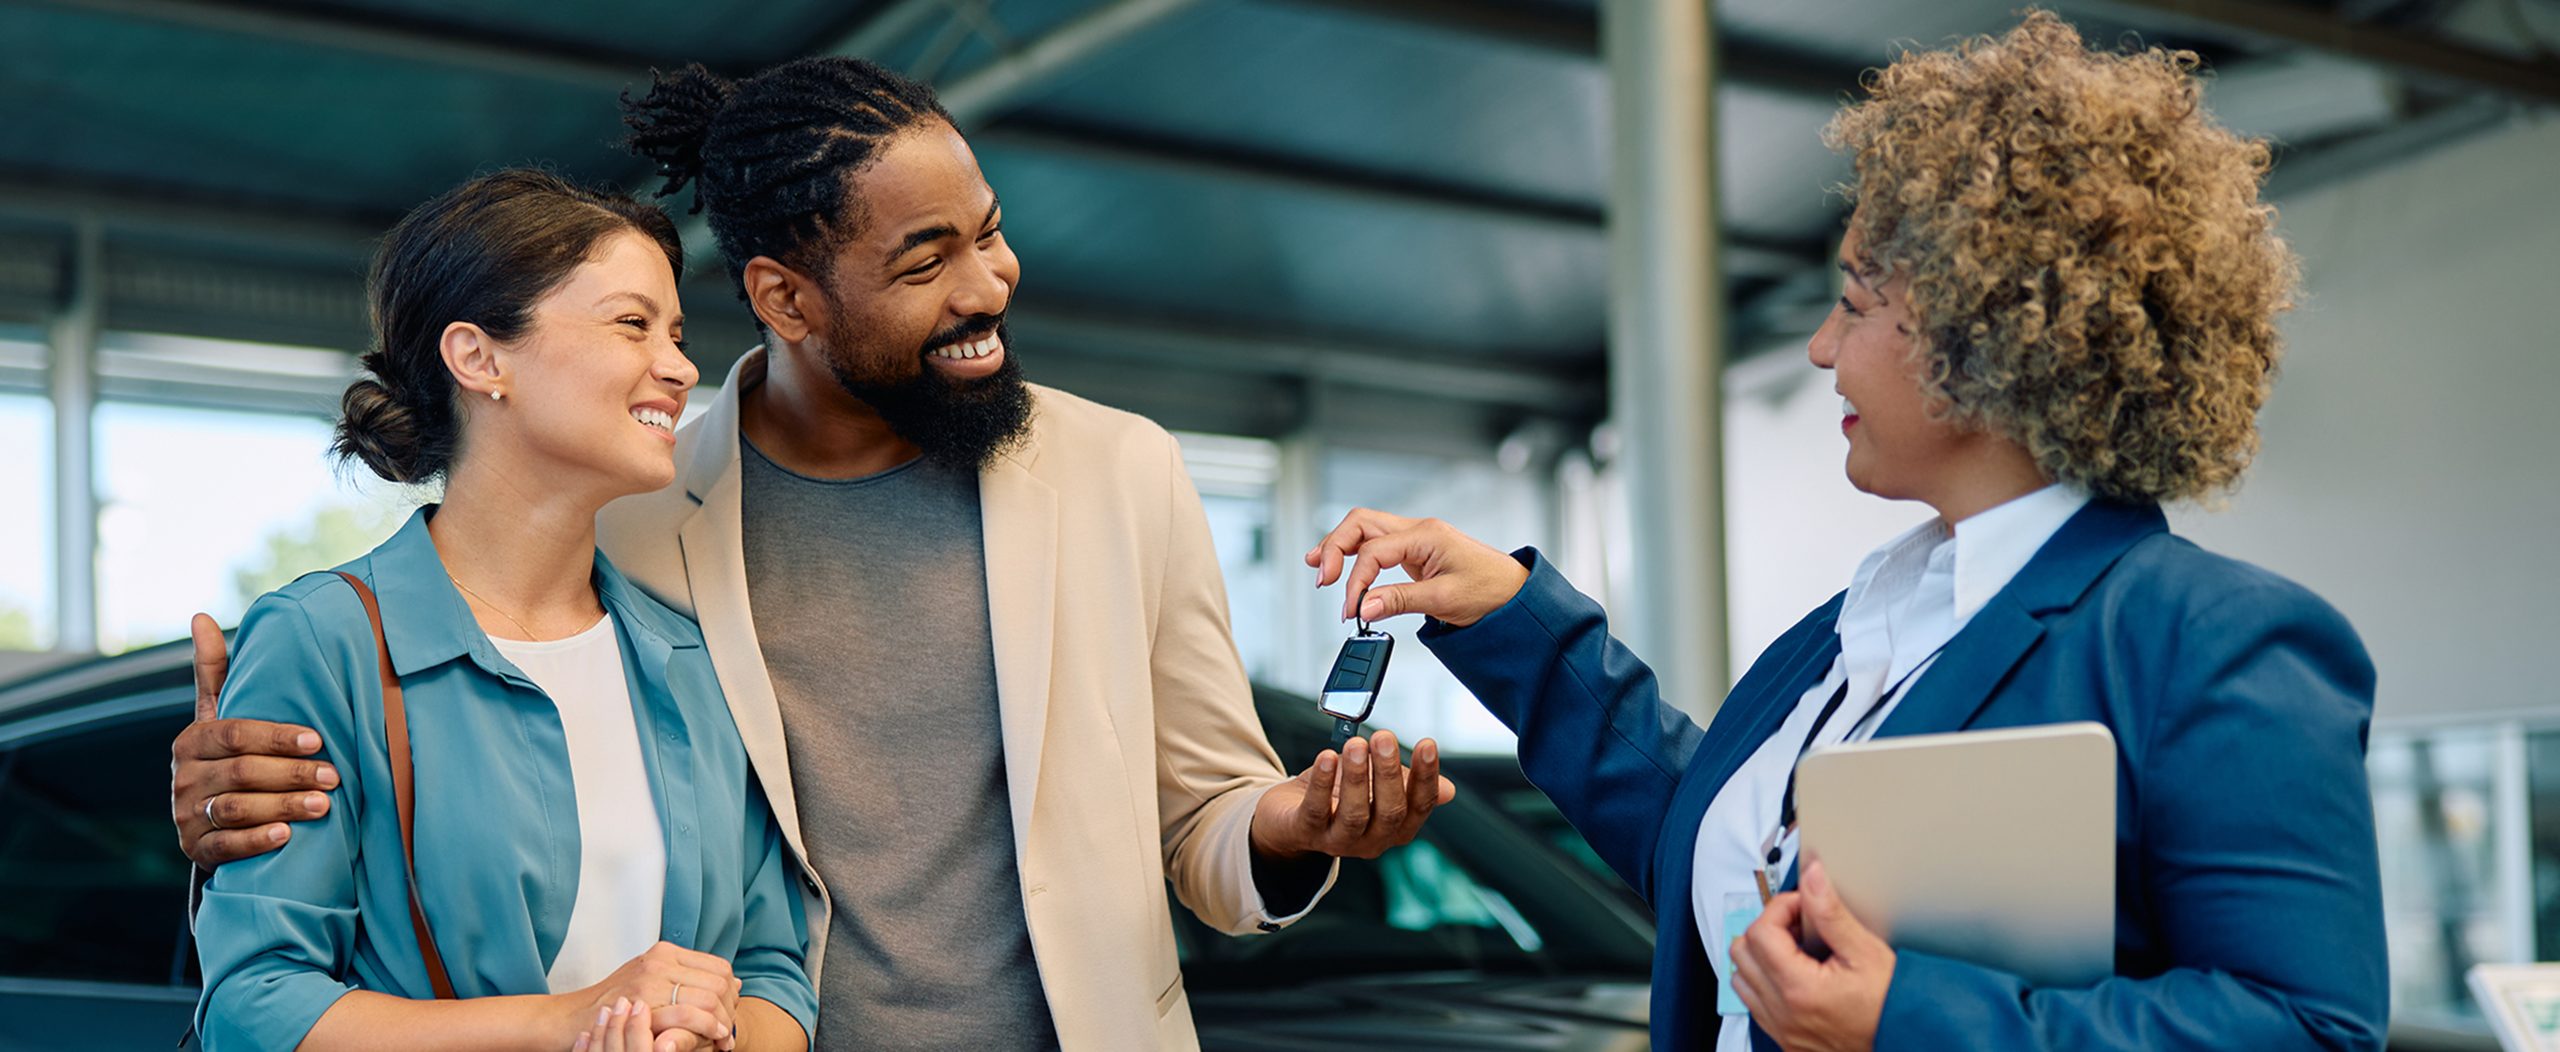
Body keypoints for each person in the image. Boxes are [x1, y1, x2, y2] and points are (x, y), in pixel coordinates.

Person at [171, 57, 1452, 1049]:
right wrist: (234, 770)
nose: (991, 284)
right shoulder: (631, 512)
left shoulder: (1121, 473)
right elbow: (454, 658)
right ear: (787, 297)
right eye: (926, 257)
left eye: (989, 232)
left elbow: (1213, 829)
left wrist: (1295, 824)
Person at [1306, 13, 2385, 1052]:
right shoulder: (1863, 621)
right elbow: (1716, 853)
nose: (1822, 348)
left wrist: (1902, 1021)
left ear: (1986, 338)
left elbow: (2310, 1026)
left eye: (1855, 303)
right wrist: (1512, 617)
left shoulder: (2215, 640)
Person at [192, 169, 814, 1052]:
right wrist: (574, 1021)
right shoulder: (325, 641)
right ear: (480, 358)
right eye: (633, 323)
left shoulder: (690, 659)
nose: (679, 366)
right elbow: (255, 1008)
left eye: (677, 332)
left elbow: (775, 974)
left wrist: (710, 1035)